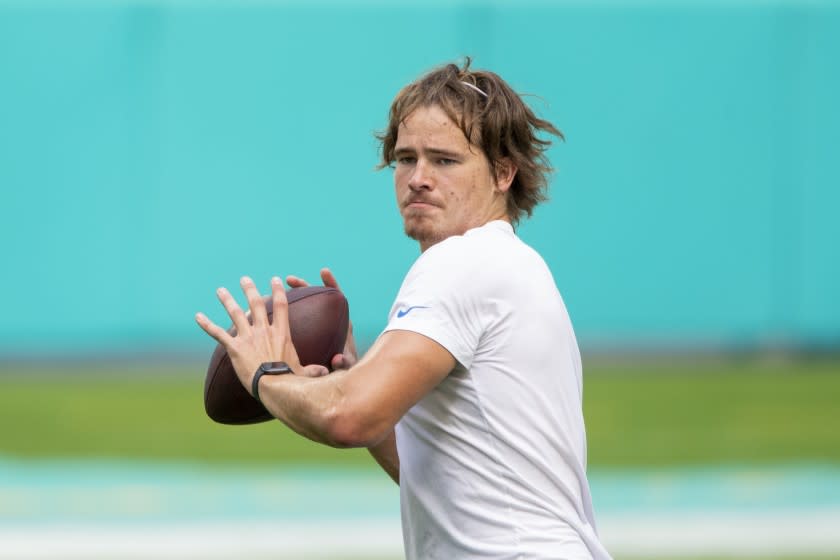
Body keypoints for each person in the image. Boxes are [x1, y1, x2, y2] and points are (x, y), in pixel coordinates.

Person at [195, 58, 612, 560]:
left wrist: (266, 372)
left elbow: (348, 418)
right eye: (406, 158)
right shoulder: (511, 263)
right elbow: (441, 480)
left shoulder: (462, 262)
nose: (418, 178)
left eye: (444, 160)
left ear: (504, 173)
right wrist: (350, 375)